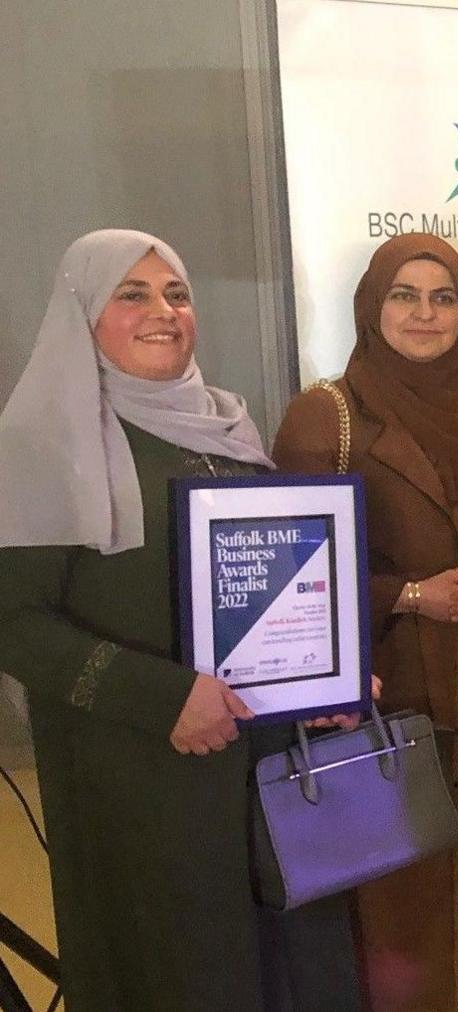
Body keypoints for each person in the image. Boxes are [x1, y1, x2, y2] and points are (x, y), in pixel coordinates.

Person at [0, 229, 360, 1011]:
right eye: (131, 295)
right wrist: (162, 698)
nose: (162, 311)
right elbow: (16, 623)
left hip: (256, 765)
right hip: (135, 777)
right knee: (182, 970)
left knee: (289, 963)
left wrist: (325, 674)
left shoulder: (225, 426)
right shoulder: (40, 442)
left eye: (176, 294)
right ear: (83, 312)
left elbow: (266, 587)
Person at [271, 232, 458, 1011]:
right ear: (370, 307)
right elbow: (294, 576)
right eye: (404, 296)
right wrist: (413, 595)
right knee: (393, 882)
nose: (425, 314)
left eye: (443, 297)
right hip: (379, 686)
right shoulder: (327, 416)